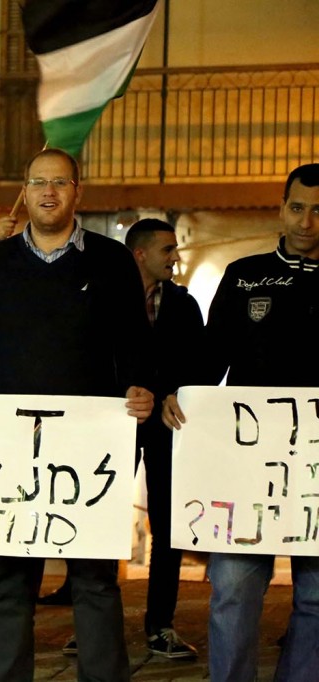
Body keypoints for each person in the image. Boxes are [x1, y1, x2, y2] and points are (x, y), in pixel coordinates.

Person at [0, 148, 153, 682]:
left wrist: (143, 387)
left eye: (60, 182)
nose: (49, 192)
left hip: (89, 447)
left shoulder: (110, 261)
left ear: (78, 191)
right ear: (26, 188)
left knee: (94, 581)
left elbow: (134, 341)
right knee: (8, 581)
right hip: (9, 446)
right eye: (39, 182)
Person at [163, 163, 319, 682]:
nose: (307, 221)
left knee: (317, 599)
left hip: (315, 471)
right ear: (281, 208)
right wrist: (179, 394)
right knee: (232, 591)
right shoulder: (244, 274)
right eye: (297, 208)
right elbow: (211, 359)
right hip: (246, 465)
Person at [123, 218, 203, 659]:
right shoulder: (108, 300)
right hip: (115, 422)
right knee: (98, 522)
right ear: (140, 254)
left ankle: (161, 625)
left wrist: (176, 392)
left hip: (167, 427)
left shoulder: (184, 305)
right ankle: (93, 621)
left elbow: (200, 362)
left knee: (169, 525)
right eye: (167, 249)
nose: (176, 256)